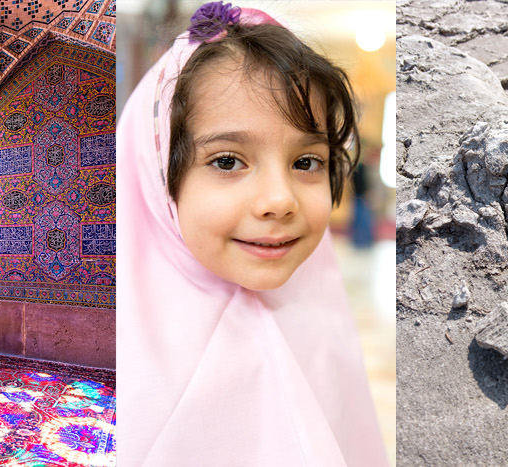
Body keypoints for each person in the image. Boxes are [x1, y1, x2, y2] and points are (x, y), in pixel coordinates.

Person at [117, 3, 386, 465]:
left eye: (307, 162)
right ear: (158, 178)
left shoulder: (319, 324)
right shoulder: (124, 370)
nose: (279, 201)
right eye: (227, 161)